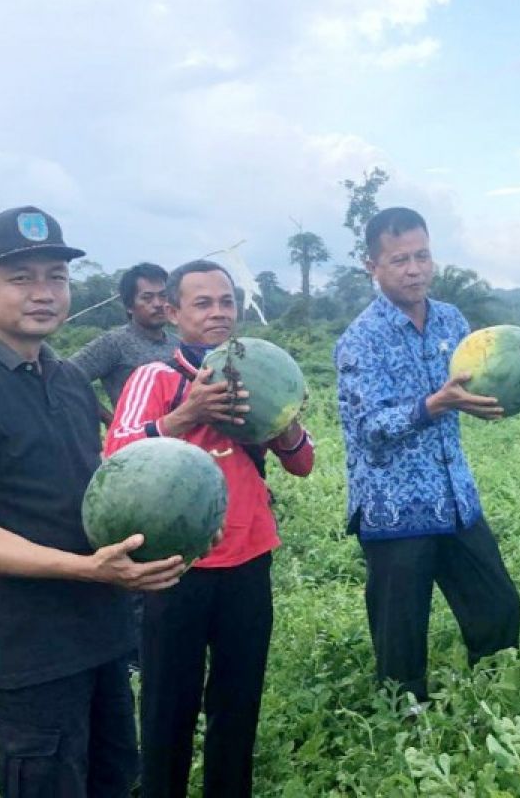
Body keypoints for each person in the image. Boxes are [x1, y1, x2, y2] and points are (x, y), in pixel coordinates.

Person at [0, 206, 187, 797]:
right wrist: (87, 569)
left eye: (56, 277)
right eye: (21, 277)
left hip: (101, 636)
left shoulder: (65, 380)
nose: (44, 293)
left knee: (114, 783)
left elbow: (93, 490)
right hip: (29, 656)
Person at [104, 259, 315, 798]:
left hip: (249, 555)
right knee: (167, 702)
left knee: (238, 699)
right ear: (173, 312)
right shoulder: (156, 376)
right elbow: (117, 456)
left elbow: (302, 462)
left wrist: (283, 419)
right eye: (202, 303)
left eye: (226, 302)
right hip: (176, 566)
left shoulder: (254, 373)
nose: (218, 312)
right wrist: (187, 413)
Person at [334, 207, 520, 705]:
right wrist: (436, 404)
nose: (414, 268)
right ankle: (405, 730)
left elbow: (470, 383)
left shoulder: (451, 320)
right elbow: (368, 428)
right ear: (371, 265)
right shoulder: (361, 339)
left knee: (498, 606)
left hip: (454, 497)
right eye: (399, 260)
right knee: (401, 635)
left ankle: (497, 703)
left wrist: (478, 404)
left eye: (422, 255)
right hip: (395, 508)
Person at [70, 262, 177, 424]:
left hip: (181, 442)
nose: (158, 304)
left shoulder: (179, 344)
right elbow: (67, 378)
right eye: (147, 298)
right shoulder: (114, 343)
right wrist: (111, 421)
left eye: (163, 296)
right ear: (129, 306)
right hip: (136, 444)